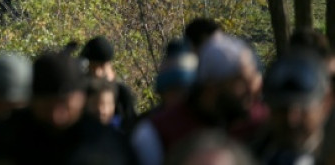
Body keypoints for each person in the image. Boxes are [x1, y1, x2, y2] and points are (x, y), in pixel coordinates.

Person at [131, 33, 266, 165]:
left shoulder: (263, 124)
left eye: (251, 81)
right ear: (212, 86)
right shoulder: (157, 134)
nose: (251, 91)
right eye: (241, 82)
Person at [0, 51, 133, 164]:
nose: (56, 116)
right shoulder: (6, 136)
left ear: (81, 99)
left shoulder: (104, 144)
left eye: (66, 106)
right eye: (47, 107)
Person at [251, 51, 331, 163]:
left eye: (302, 108)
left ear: (326, 103)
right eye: (282, 109)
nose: (291, 120)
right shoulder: (249, 155)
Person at [80, 35, 137, 132]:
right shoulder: (80, 92)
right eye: (93, 67)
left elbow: (132, 126)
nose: (97, 73)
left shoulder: (122, 93)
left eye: (101, 66)